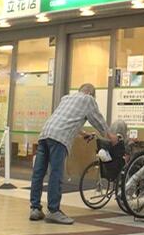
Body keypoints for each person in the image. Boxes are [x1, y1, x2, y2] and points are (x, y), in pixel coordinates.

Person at [30, 83, 114, 225]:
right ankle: (54, 211)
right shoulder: (88, 100)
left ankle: (35, 208)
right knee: (56, 173)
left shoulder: (66, 98)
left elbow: (64, 119)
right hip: (59, 138)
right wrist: (110, 136)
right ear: (90, 94)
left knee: (38, 172)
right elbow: (98, 120)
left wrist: (82, 134)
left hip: (45, 134)